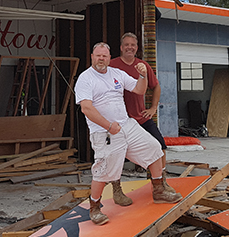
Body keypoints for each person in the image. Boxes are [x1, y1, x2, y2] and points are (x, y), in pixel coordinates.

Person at [75, 42, 182, 225]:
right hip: (104, 132)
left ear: (109, 58)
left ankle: (159, 191)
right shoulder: (85, 78)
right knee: (103, 171)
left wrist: (142, 75)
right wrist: (109, 126)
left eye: (105, 56)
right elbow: (86, 109)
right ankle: (94, 208)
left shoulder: (117, 73)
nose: (101, 59)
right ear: (92, 57)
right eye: (98, 55)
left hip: (127, 125)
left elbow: (140, 89)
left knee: (155, 148)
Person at [109, 33, 170, 186]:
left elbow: (156, 86)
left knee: (160, 146)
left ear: (136, 48)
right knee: (114, 154)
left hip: (141, 117)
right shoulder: (111, 66)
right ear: (121, 48)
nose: (130, 47)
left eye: (133, 45)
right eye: (127, 45)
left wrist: (153, 107)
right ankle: (115, 187)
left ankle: (160, 182)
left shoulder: (142, 66)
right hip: (120, 121)